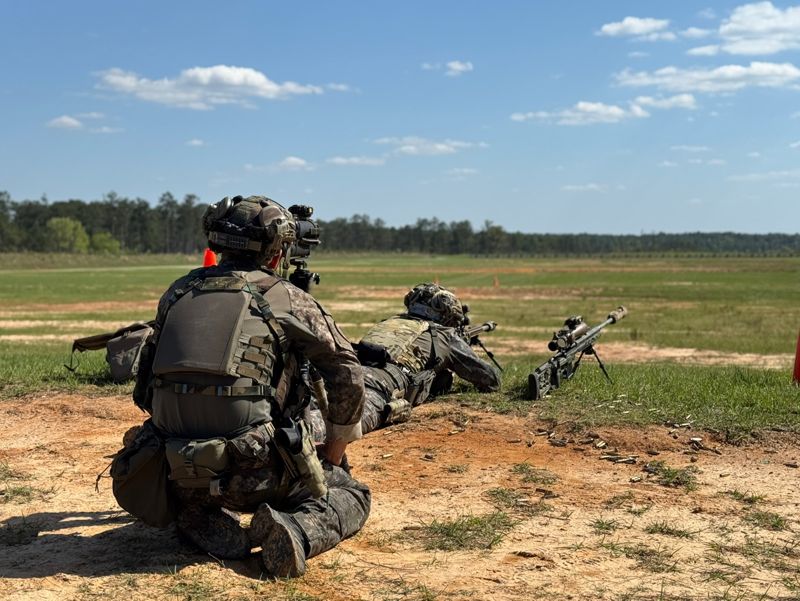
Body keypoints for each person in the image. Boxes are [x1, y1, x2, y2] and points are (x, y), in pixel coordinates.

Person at [123, 194, 370, 578]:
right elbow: (346, 371)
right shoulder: (285, 296)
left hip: (175, 468)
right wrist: (334, 453)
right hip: (255, 477)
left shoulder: (177, 292)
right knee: (353, 493)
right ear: (276, 250)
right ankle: (295, 531)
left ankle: (196, 514)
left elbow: (147, 390)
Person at [310, 283, 501, 437]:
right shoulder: (445, 334)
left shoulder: (391, 321)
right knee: (335, 428)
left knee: (297, 411)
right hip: (381, 383)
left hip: (338, 372)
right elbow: (490, 380)